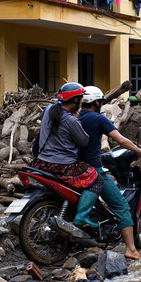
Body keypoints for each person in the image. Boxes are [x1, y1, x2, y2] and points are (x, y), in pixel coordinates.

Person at [79, 86, 141, 260]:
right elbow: (121, 140)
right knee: (121, 206)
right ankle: (131, 249)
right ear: (97, 102)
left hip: (73, 169)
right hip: (93, 170)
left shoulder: (74, 118)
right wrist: (139, 150)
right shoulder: (99, 119)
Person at [33, 83, 100, 227]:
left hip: (42, 163)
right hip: (63, 166)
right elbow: (84, 141)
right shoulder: (70, 120)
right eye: (81, 99)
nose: (82, 102)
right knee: (96, 179)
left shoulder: (48, 110)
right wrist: (76, 119)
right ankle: (82, 216)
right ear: (75, 100)